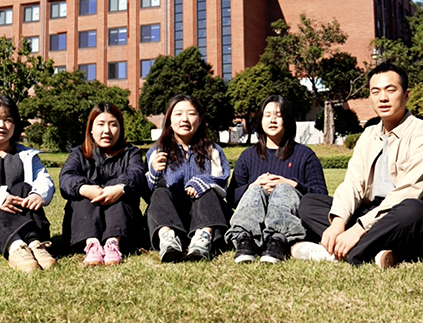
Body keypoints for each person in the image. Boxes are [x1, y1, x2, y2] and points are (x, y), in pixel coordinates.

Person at [296, 62, 423, 268]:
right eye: (376, 92)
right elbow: (353, 183)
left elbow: (409, 192)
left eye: (391, 90)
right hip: (369, 213)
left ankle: (343, 251)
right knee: (309, 203)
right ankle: (378, 250)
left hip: (400, 214)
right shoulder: (369, 134)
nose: (383, 98)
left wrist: (359, 228)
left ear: (406, 95)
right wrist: (339, 222)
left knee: (414, 210)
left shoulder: (419, 133)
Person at [225, 95, 327, 263]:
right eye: (267, 115)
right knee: (255, 189)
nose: (272, 120)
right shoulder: (248, 156)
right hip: (254, 223)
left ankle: (278, 240)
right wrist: (253, 186)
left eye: (278, 115)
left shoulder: (305, 155)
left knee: (283, 189)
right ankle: (245, 241)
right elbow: (231, 197)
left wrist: (291, 184)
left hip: (288, 224)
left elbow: (321, 195)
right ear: (260, 120)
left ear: (287, 120)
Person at [0, 94, 55, 273]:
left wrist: (37, 194)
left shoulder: (27, 155)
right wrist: (0, 197)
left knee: (24, 188)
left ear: (15, 125)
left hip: (30, 228)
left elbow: (44, 180)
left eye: (8, 120)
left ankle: (35, 244)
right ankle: (16, 247)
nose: (2, 125)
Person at [145, 94, 230, 262]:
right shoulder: (157, 151)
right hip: (172, 218)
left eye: (191, 113)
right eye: (178, 114)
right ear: (169, 119)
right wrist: (155, 173)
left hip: (207, 217)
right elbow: (148, 194)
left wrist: (201, 183)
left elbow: (222, 182)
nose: (185, 119)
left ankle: (202, 239)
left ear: (200, 119)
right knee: (160, 193)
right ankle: (168, 240)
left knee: (208, 192)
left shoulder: (213, 150)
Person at [59, 102, 146, 266]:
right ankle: (92, 244)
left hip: (125, 228)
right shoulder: (79, 153)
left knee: (120, 185)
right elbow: (66, 178)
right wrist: (85, 189)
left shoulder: (131, 152)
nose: (107, 130)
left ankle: (113, 243)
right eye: (100, 124)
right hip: (83, 226)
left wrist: (120, 188)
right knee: (83, 187)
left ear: (120, 129)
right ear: (91, 128)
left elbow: (138, 173)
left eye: (113, 125)